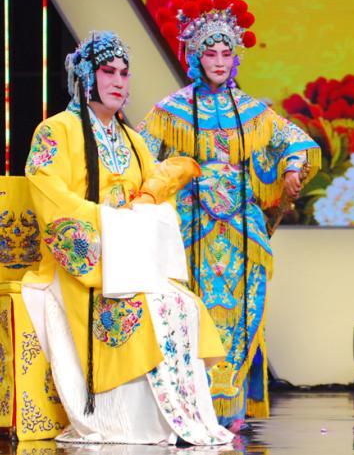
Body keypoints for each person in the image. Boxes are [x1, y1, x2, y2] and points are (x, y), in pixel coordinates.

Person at [23, 31, 233, 445]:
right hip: (87, 258)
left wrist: (145, 213)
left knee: (181, 305)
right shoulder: (56, 131)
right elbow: (48, 193)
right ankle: (121, 422)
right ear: (86, 76)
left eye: (124, 73)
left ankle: (176, 420)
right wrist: (106, 223)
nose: (120, 81)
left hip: (128, 256)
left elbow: (148, 200)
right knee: (142, 308)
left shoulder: (133, 141)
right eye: (108, 72)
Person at [138, 0, 320, 430]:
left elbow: (294, 143)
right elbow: (139, 156)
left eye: (226, 53)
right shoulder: (172, 110)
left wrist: (293, 168)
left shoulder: (253, 111)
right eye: (210, 53)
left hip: (241, 231)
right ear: (195, 57)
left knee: (243, 310)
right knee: (190, 312)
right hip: (192, 228)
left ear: (235, 57)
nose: (219, 61)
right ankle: (190, 404)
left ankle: (230, 404)